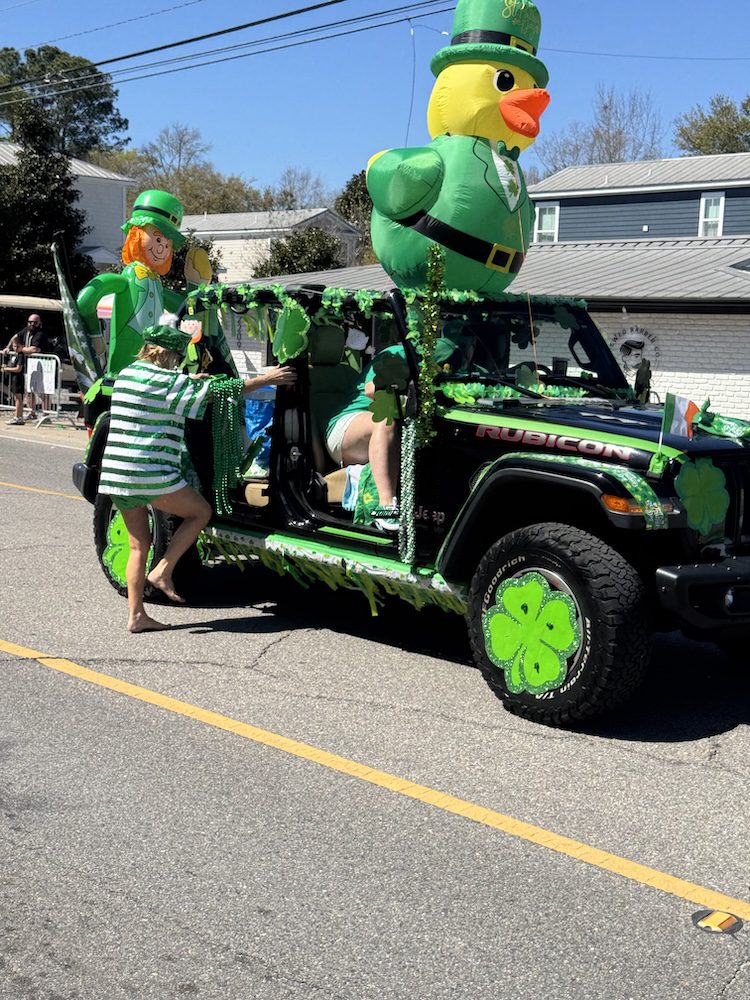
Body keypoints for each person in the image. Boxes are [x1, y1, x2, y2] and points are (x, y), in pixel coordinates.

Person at [99, 316, 296, 634]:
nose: (177, 364)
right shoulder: (165, 380)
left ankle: (137, 616)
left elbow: (181, 391)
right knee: (200, 512)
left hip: (116, 474)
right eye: (176, 358)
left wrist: (196, 382)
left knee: (139, 545)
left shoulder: (127, 375)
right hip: (150, 473)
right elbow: (218, 393)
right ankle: (163, 571)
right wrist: (266, 378)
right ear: (167, 354)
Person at [1, 314, 47, 424]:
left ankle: (46, 414)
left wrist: (21, 349)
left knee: (42, 391)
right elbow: (15, 337)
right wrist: (8, 347)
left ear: (39, 323)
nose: (32, 324)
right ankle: (32, 412)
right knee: (28, 391)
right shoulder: (26, 330)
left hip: (41, 365)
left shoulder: (40, 334)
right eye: (30, 322)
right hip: (29, 365)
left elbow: (34, 349)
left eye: (34, 322)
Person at [0, 333, 25, 424]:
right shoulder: (15, 354)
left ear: (22, 346)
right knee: (16, 398)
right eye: (14, 346)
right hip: (13, 378)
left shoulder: (21, 355)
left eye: (18, 346)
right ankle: (19, 416)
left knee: (18, 398)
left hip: (18, 379)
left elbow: (18, 368)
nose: (15, 348)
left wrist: (6, 368)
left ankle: (17, 417)